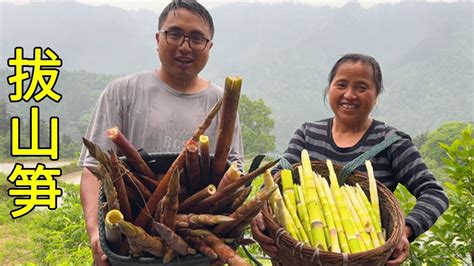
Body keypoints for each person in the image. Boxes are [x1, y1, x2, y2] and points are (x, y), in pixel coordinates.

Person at [78, 1, 244, 265]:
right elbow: (93, 169)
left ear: (209, 47)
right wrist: (96, 234)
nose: (185, 45)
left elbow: (235, 174)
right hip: (130, 242)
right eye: (174, 34)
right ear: (158, 38)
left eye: (197, 38)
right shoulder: (122, 92)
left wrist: (224, 240)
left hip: (197, 245)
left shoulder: (222, 101)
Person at [250, 53, 448, 265]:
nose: (349, 95)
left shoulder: (392, 142)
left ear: (377, 94)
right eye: (341, 84)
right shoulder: (308, 134)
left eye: (362, 88)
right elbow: (275, 180)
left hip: (364, 251)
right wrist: (260, 214)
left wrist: (404, 231)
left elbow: (435, 194)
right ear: (329, 88)